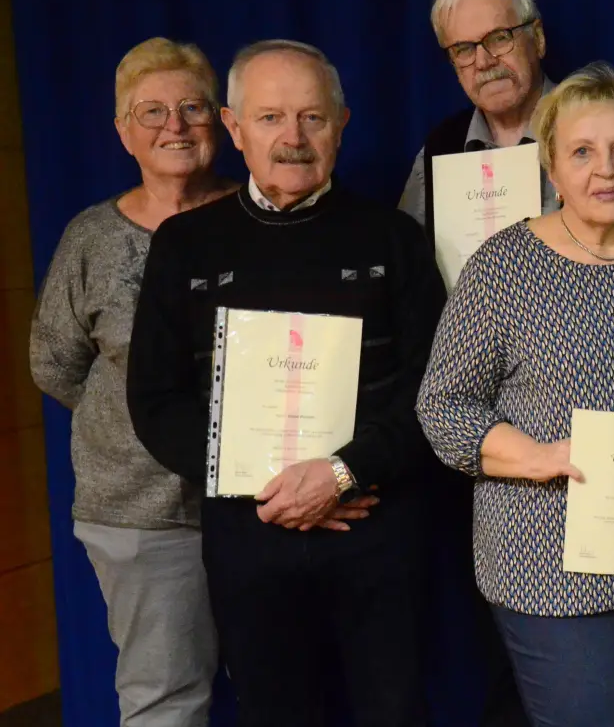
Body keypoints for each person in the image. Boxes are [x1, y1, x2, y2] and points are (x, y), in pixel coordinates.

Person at [126, 40, 445, 726]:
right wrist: (273, 483)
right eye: (270, 118)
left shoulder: (395, 238)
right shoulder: (184, 245)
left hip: (379, 524)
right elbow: (154, 400)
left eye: (312, 118)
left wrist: (341, 475)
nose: (293, 139)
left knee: (397, 711)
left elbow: (432, 388)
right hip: (251, 531)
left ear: (342, 123)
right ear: (234, 128)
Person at [416, 62, 614, 727]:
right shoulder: (503, 267)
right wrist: (541, 457)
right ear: (551, 168)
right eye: (582, 152)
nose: (604, 170)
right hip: (548, 572)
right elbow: (442, 408)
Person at [29, 37, 234, 726]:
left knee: (292, 690)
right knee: (164, 701)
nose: (173, 126)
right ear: (123, 132)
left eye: (191, 108)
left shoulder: (262, 219)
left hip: (270, 504)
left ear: (223, 121)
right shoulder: (91, 238)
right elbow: (54, 363)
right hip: (140, 518)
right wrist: (138, 424)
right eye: (151, 112)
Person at [398, 0, 614, 235]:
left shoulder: (612, 125)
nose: (484, 61)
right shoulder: (438, 151)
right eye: (463, 49)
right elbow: (409, 270)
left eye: (499, 38)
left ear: (538, 38)